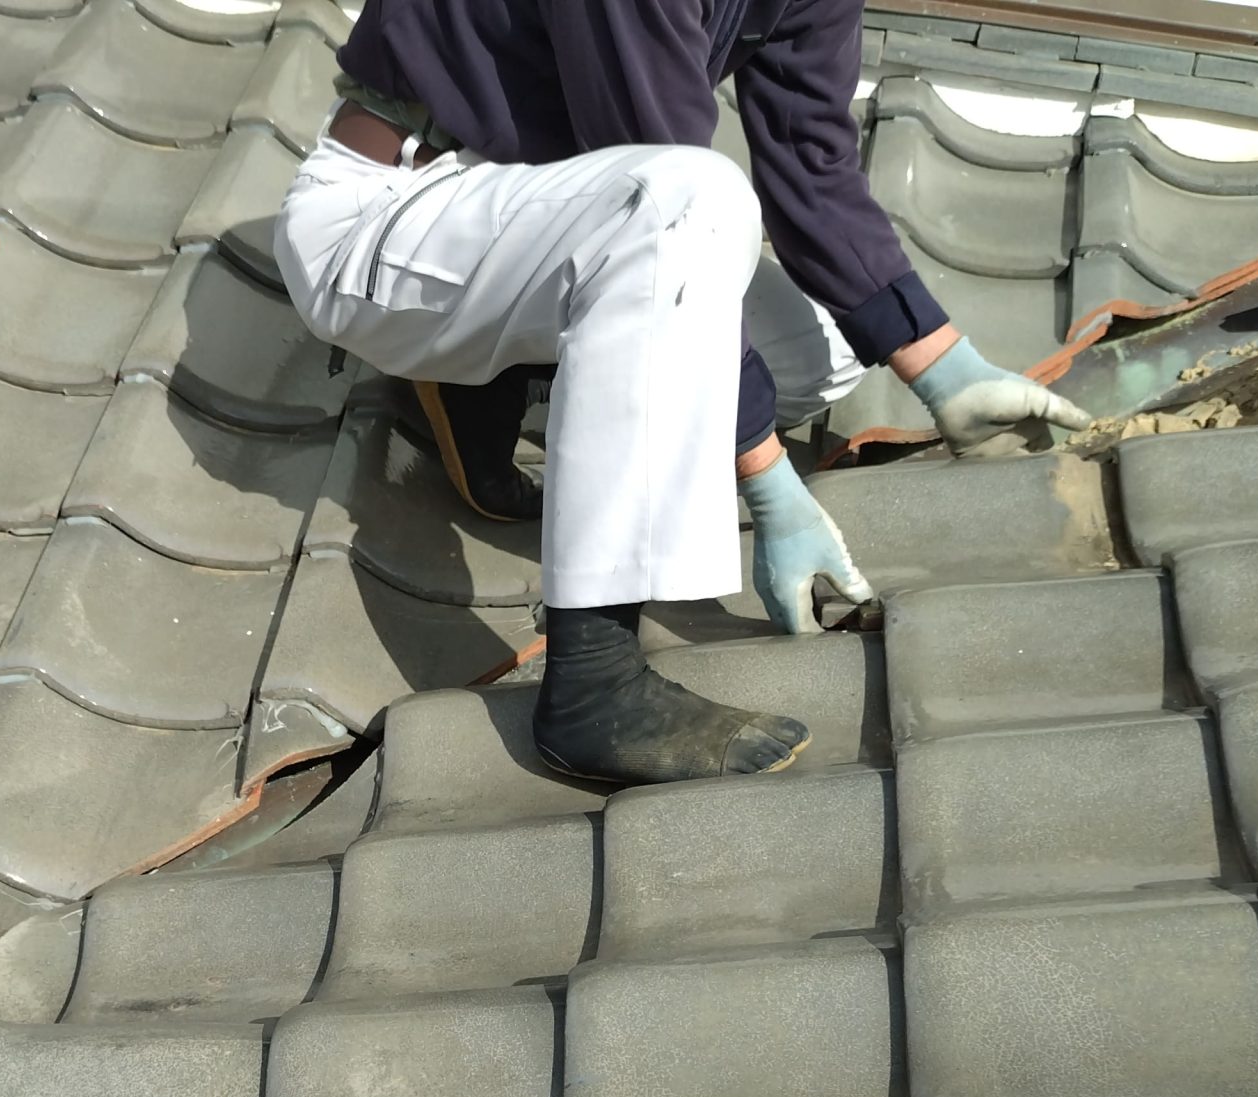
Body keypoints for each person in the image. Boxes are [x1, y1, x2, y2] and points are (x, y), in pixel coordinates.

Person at [273, 0, 1092, 787]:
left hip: (531, 225)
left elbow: (810, 155)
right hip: (392, 218)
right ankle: (592, 682)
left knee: (831, 347)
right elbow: (659, 183)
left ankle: (490, 378)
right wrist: (769, 480)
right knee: (694, 201)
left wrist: (944, 368)